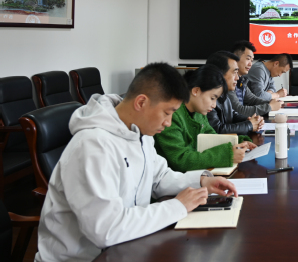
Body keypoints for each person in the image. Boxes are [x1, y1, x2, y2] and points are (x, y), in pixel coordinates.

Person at [35, 63, 238, 262]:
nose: (168, 122)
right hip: (88, 256)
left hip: (127, 244)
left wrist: (201, 181)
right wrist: (177, 206)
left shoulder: (139, 132)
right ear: (141, 103)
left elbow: (159, 178)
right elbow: (105, 229)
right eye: (167, 113)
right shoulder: (92, 145)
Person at [154, 64, 257, 172]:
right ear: (196, 91)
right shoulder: (172, 115)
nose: (214, 105)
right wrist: (228, 155)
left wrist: (238, 142)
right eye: (212, 98)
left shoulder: (199, 112)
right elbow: (181, 160)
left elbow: (211, 137)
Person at [206, 51, 264, 134]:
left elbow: (232, 115)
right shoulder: (207, 97)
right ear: (219, 74)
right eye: (234, 72)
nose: (237, 78)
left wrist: (249, 120)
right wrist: (249, 125)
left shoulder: (224, 93)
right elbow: (217, 129)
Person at [228, 40, 282, 116]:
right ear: (235, 57)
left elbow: (252, 99)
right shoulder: (228, 80)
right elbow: (239, 110)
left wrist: (271, 102)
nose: (250, 64)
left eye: (251, 60)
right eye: (248, 59)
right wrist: (270, 107)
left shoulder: (241, 80)